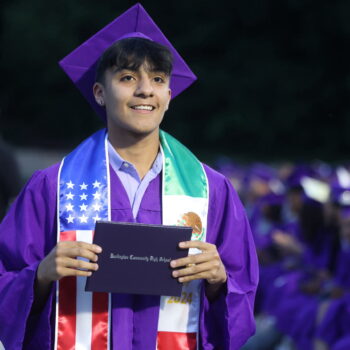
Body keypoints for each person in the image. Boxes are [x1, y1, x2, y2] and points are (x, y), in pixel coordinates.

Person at [0, 4, 258, 349]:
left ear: (169, 96)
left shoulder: (212, 191)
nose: (145, 90)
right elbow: (6, 278)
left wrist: (218, 280)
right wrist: (41, 276)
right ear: (100, 93)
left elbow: (243, 294)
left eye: (158, 80)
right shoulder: (51, 187)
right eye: (127, 78)